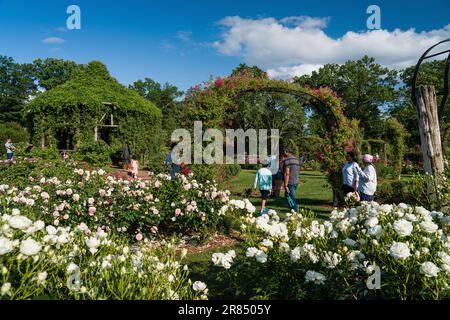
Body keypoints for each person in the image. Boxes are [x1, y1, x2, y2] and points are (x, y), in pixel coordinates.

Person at [282, 147, 300, 212]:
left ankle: (295, 212)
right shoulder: (296, 159)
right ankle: (293, 210)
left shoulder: (287, 160)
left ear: (286, 151)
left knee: (289, 197)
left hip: (290, 182)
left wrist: (286, 185)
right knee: (289, 196)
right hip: (296, 181)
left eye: (284, 151)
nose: (283, 153)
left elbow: (287, 173)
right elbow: (298, 170)